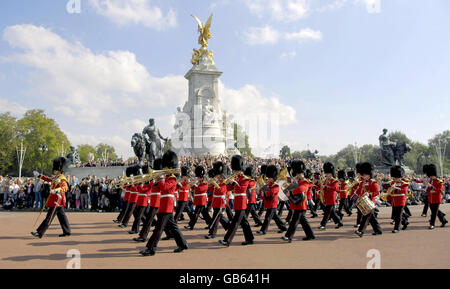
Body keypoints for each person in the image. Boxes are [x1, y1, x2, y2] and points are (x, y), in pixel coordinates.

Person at [140, 150, 188, 256]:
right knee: (174, 227)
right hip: (164, 205)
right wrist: (155, 180)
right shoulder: (167, 178)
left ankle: (151, 248)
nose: (164, 169)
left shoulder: (172, 179)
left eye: (165, 167)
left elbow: (164, 187)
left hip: (167, 205)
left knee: (158, 229)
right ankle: (183, 244)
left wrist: (161, 179)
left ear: (169, 167)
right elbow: (158, 188)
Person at [31, 157, 71, 238]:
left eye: (55, 169)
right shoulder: (57, 177)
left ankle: (40, 232)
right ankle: (67, 231)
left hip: (57, 201)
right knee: (62, 217)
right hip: (56, 200)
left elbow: (66, 188)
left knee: (49, 217)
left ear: (59, 170)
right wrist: (39, 175)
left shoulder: (62, 178)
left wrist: (56, 191)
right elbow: (48, 179)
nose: (54, 171)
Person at [219, 155, 255, 246]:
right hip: (237, 202)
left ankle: (227, 240)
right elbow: (229, 189)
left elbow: (242, 188)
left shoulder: (245, 178)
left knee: (235, 223)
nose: (234, 171)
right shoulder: (237, 178)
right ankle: (250, 238)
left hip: (242, 202)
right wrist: (227, 184)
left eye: (236, 169)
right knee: (244, 222)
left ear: (240, 169)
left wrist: (234, 182)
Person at [282, 160, 315, 242]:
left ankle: (288, 236)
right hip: (296, 203)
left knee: (294, 221)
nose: (297, 175)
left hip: (301, 204)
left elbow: (301, 189)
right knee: (303, 221)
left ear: (302, 173)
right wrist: (286, 189)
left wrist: (291, 191)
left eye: (298, 173)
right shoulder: (297, 181)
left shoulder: (305, 181)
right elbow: (291, 187)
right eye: (297, 173)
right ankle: (310, 235)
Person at [134, 159, 163, 242]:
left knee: (149, 220)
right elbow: (146, 187)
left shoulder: (160, 180)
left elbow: (146, 189)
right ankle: (169, 233)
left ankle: (143, 236)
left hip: (156, 202)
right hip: (153, 203)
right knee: (160, 220)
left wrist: (158, 179)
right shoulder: (153, 181)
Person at [256, 165, 288, 235]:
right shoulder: (269, 185)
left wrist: (264, 190)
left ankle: (263, 230)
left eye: (270, 178)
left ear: (273, 178)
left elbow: (271, 193)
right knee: (275, 217)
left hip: (272, 204)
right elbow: (264, 192)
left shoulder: (275, 185)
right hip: (269, 204)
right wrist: (262, 190)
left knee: (267, 218)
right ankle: (283, 227)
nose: (269, 179)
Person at [354, 162, 382, 237]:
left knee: (365, 217)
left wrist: (369, 194)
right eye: (363, 175)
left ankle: (361, 231)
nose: (364, 176)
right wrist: (358, 196)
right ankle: (378, 230)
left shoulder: (373, 182)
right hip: (364, 202)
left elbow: (377, 192)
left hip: (370, 202)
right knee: (372, 218)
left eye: (365, 175)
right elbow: (359, 191)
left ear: (369, 174)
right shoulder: (362, 182)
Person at [205, 161, 230, 239]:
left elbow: (222, 191)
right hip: (215, 200)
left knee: (216, 217)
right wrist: (210, 185)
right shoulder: (217, 180)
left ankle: (212, 233)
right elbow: (212, 190)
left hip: (221, 201)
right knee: (219, 216)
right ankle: (229, 226)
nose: (217, 176)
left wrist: (215, 184)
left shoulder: (224, 181)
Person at [318, 162, 343, 230]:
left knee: (327, 213)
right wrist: (321, 191)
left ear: (331, 173)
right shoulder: (325, 180)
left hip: (332, 198)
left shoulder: (334, 181)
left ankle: (323, 225)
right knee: (332, 213)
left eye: (328, 173)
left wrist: (326, 187)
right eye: (326, 173)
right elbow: (324, 188)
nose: (326, 174)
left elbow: (336, 188)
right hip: (327, 198)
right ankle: (339, 222)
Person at [185, 165, 210, 230]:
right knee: (204, 213)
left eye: (199, 177)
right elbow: (194, 189)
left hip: (201, 200)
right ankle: (210, 223)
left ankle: (191, 225)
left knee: (196, 213)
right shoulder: (199, 182)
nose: (197, 178)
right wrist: (192, 185)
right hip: (198, 199)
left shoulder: (205, 182)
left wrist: (195, 185)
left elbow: (202, 189)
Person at [386, 166, 409, 233]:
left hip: (401, 201)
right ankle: (405, 222)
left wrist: (395, 189)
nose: (395, 178)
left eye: (396, 177)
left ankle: (397, 228)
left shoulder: (404, 182)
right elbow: (390, 191)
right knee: (395, 215)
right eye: (394, 177)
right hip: (394, 201)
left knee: (398, 215)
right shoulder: (392, 182)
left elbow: (404, 191)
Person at [424, 164, 448, 229]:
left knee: (433, 213)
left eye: (431, 176)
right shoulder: (431, 181)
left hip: (437, 199)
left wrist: (431, 187)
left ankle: (432, 224)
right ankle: (443, 220)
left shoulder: (439, 181)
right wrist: (426, 190)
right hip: (431, 199)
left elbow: (440, 190)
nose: (430, 177)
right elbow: (428, 190)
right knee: (435, 211)